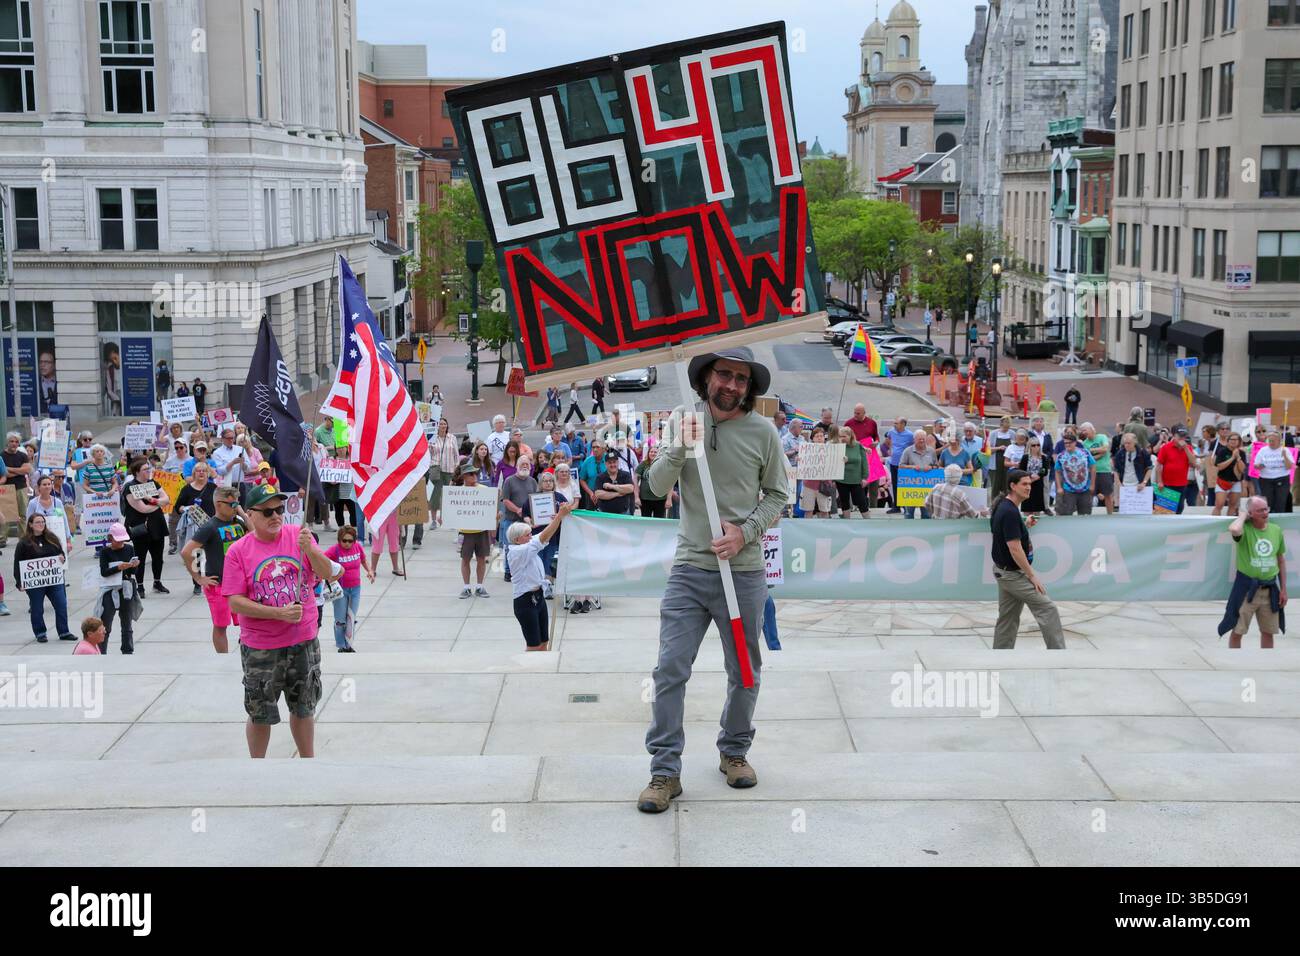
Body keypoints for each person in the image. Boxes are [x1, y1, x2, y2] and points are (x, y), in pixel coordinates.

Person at [639, 346, 788, 813]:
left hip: (742, 577)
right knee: (669, 669)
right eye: (724, 375)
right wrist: (682, 446)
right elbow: (655, 487)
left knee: (744, 671)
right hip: (689, 570)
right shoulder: (682, 422)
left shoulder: (763, 433)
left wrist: (744, 532)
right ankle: (664, 772)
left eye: (742, 379)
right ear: (706, 378)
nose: (732, 385)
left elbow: (779, 495)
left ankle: (734, 751)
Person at [221, 484, 332, 758]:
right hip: (261, 648)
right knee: (260, 713)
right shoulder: (238, 551)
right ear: (251, 515)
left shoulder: (300, 537)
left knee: (304, 707)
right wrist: (278, 613)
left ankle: (309, 761)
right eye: (268, 511)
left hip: (303, 641)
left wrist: (312, 551)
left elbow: (329, 572)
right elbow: (234, 601)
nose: (276, 517)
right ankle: (257, 768)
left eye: (280, 510)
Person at [990, 470, 1066, 649]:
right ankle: (1059, 654)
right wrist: (1031, 576)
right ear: (1012, 486)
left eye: (1030, 484)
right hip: (1013, 575)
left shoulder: (1006, 507)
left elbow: (1005, 534)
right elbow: (1014, 548)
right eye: (1024, 484)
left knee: (1007, 618)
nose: (1028, 488)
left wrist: (1023, 525)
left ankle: (1000, 655)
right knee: (1048, 609)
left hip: (1005, 572)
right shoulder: (1009, 511)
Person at [180, 486, 246, 652]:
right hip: (218, 585)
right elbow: (187, 552)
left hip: (239, 584)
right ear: (218, 504)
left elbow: (254, 534)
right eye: (231, 504)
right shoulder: (210, 527)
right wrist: (198, 578)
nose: (235, 508)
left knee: (247, 622)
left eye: (236, 504)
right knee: (221, 625)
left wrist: (243, 514)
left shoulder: (238, 522)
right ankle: (222, 658)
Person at [506, 501, 577, 651]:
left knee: (544, 642)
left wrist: (558, 519)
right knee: (533, 645)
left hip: (538, 597)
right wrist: (558, 517)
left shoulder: (527, 546)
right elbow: (542, 538)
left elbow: (546, 535)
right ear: (518, 539)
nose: (531, 536)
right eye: (528, 535)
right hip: (524, 601)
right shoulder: (517, 552)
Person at [1219, 497, 1287, 649]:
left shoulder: (1276, 530)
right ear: (1251, 513)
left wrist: (1283, 589)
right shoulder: (1245, 530)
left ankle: (1266, 663)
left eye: (1266, 509)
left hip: (1270, 589)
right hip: (1247, 589)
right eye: (1259, 510)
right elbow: (1234, 529)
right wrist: (1242, 515)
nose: (1265, 513)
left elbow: (1281, 560)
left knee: (1268, 632)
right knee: (1238, 631)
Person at [12, 513, 73, 643]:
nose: (41, 525)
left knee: (61, 604)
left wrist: (62, 557)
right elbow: (17, 564)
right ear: (30, 524)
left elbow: (60, 553)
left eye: (43, 522)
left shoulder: (52, 538)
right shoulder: (24, 543)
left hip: (54, 580)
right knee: (37, 608)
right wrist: (19, 583)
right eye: (38, 522)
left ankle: (64, 631)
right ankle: (40, 632)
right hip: (35, 583)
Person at [121, 459, 171, 593]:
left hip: (157, 524)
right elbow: (141, 508)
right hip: (139, 526)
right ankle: (140, 585)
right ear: (137, 472)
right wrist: (158, 504)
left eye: (149, 469)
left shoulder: (153, 483)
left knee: (158, 557)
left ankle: (157, 582)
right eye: (145, 469)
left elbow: (167, 499)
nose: (149, 471)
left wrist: (153, 500)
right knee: (140, 558)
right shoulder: (130, 487)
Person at [95, 522, 140, 654]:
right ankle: (101, 651)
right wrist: (118, 568)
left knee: (127, 622)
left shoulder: (129, 548)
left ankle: (127, 650)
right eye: (118, 540)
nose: (121, 543)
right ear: (110, 538)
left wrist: (134, 565)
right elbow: (104, 572)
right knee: (106, 623)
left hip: (126, 587)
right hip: (110, 589)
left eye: (122, 540)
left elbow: (133, 572)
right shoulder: (105, 552)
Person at [325, 525, 372, 652]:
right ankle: (341, 645)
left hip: (355, 588)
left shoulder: (357, 547)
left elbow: (363, 560)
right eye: (344, 540)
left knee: (351, 618)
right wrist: (328, 576)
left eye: (350, 541)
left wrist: (370, 571)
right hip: (340, 589)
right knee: (340, 619)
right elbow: (322, 561)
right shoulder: (334, 550)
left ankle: (349, 643)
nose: (347, 543)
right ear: (339, 540)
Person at [498, 456, 538, 582]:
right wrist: (517, 510)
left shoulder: (533, 481)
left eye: (527, 464)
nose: (525, 466)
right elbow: (505, 500)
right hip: (511, 520)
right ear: (517, 466)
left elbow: (535, 500)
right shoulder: (509, 481)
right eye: (522, 464)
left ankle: (522, 570)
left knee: (526, 547)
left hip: (526, 522)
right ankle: (508, 571)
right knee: (510, 547)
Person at [456, 462, 491, 599]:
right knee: (465, 559)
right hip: (465, 531)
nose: (474, 476)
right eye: (471, 474)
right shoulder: (458, 492)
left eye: (475, 473)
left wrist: (495, 517)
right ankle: (466, 587)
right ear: (464, 476)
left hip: (481, 530)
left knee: (481, 558)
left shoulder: (484, 489)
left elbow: (490, 508)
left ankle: (480, 586)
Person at [1252, 430, 1295, 515]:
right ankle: (1268, 520)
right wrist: (1260, 466)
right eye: (1270, 440)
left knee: (1280, 501)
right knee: (1268, 502)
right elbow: (1255, 465)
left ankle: (1279, 521)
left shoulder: (1285, 450)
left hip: (1282, 478)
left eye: (1273, 440)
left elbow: (1289, 466)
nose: (1271, 442)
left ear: (1279, 441)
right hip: (1266, 479)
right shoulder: (1263, 450)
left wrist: (1285, 456)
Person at [1155, 427, 1197, 514]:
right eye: (1180, 437)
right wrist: (1159, 481)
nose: (1182, 439)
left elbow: (1193, 463)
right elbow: (1159, 465)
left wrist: (1186, 448)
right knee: (1165, 509)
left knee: (1179, 508)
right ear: (1174, 436)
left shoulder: (1188, 448)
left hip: (1182, 484)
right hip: (1167, 484)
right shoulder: (1166, 447)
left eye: (1184, 437)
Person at [832, 424, 871, 518]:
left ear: (850, 436)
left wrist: (865, 477)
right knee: (844, 502)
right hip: (841, 479)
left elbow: (864, 463)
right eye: (840, 436)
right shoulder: (837, 446)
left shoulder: (858, 446)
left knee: (861, 502)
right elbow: (832, 462)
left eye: (844, 436)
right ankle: (847, 522)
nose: (842, 438)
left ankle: (868, 522)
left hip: (856, 479)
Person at [1053, 432, 1095, 515]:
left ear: (1075, 442)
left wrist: (1092, 484)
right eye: (1065, 443)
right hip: (1068, 489)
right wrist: (1059, 487)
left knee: (1085, 514)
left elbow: (1093, 467)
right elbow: (1057, 472)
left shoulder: (1085, 453)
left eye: (1070, 443)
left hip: (1085, 488)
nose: (1067, 445)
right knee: (1067, 514)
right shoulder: (1061, 456)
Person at [2, 431, 33, 544]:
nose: (14, 443)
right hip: (6, 488)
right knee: (6, 514)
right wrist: (19, 471)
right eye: (12, 441)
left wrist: (9, 468)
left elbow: (27, 470)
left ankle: (23, 538)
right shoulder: (2, 456)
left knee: (22, 514)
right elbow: (5, 474)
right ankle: (2, 539)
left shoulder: (23, 455)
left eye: (16, 442)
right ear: (7, 442)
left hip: (21, 487)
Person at [899, 428, 936, 519]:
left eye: (923, 438)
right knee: (908, 515)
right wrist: (912, 467)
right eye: (919, 439)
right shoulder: (907, 451)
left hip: (927, 489)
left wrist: (931, 467)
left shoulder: (931, 451)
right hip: (910, 488)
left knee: (927, 515)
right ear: (914, 439)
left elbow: (937, 466)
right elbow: (901, 466)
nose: (922, 440)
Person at [429, 418, 459, 530]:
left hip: (450, 469)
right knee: (435, 495)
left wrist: (457, 468)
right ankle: (433, 520)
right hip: (436, 469)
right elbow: (428, 454)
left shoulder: (452, 438)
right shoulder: (432, 438)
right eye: (440, 424)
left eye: (444, 424)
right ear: (437, 426)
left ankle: (449, 519)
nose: (443, 426)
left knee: (450, 496)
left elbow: (456, 454)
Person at [1080, 423, 1114, 514]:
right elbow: (1087, 458)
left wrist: (1091, 451)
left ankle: (1110, 515)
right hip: (1091, 472)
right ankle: (1088, 514)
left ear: (1092, 429)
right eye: (1082, 431)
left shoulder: (1102, 437)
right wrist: (1100, 453)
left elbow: (1105, 449)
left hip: (1105, 470)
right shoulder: (1085, 443)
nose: (1083, 433)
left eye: (1085, 430)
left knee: (1108, 495)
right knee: (1089, 495)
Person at [881, 417, 913, 513]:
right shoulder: (892, 431)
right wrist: (890, 448)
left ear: (903, 424)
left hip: (904, 464)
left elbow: (913, 446)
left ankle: (906, 506)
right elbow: (889, 439)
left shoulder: (910, 435)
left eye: (897, 423)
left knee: (904, 485)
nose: (894, 425)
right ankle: (896, 506)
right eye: (894, 423)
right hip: (893, 462)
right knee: (895, 485)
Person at [1211, 431, 1246, 516]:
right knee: (1219, 504)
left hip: (1236, 482)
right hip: (1223, 481)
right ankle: (1214, 524)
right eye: (1232, 439)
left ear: (1239, 441)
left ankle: (1228, 525)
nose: (1234, 441)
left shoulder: (1242, 453)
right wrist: (1232, 457)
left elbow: (1242, 469)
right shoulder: (1222, 451)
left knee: (1233, 505)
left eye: (1236, 439)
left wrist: (1238, 457)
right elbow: (1219, 466)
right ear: (1228, 440)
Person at [636, 445, 672, 518]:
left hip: (660, 499)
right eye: (651, 452)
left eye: (655, 452)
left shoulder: (663, 465)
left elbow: (670, 482)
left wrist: (669, 499)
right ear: (648, 453)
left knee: (659, 523)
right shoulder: (643, 464)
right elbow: (635, 480)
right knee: (645, 522)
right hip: (645, 499)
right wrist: (636, 497)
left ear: (658, 454)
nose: (653, 453)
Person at [1019, 438, 1053, 514]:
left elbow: (1044, 470)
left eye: (1038, 445)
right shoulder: (1025, 457)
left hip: (1038, 483)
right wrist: (1030, 475)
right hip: (1027, 483)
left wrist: (1038, 475)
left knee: (1037, 508)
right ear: (1029, 446)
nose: (1036, 447)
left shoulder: (1043, 457)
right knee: (1027, 507)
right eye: (1033, 445)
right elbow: (1021, 470)